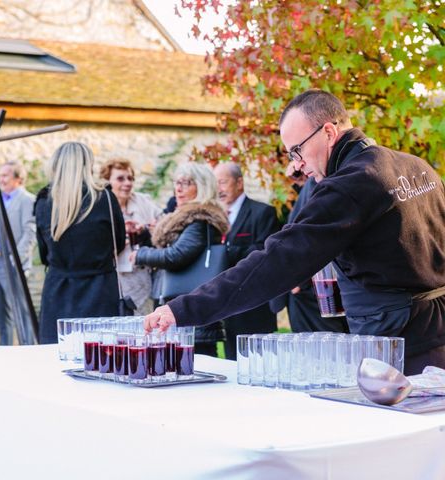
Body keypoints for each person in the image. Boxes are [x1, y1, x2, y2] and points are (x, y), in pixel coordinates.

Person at [144, 89, 445, 375]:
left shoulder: (350, 185)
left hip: (398, 345)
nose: (297, 167)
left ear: (328, 132)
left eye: (297, 151)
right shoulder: (416, 166)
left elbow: (277, 260)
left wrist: (184, 310)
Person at [132, 162, 229, 357]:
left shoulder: (200, 219)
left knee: (194, 365)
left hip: (192, 309)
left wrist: (141, 254)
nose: (178, 188)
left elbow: (177, 255)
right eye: (177, 182)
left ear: (201, 186)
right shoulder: (188, 218)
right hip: (186, 307)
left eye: (186, 183)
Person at [35, 142, 126, 344]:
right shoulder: (105, 199)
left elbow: (43, 253)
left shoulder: (44, 202)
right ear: (87, 165)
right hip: (100, 289)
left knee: (56, 357)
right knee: (103, 359)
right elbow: (118, 244)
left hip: (58, 290)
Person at [213, 162, 280, 359]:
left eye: (223, 182)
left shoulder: (263, 212)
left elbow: (263, 251)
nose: (219, 189)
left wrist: (225, 253)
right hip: (224, 300)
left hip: (253, 303)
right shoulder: (213, 215)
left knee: (257, 363)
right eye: (215, 183)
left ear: (239, 182)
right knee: (230, 362)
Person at [269, 171, 349, 333]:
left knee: (332, 350)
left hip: (322, 290)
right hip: (307, 292)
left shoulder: (333, 180)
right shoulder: (306, 186)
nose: (297, 165)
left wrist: (300, 279)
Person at [99, 158, 162, 315]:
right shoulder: (100, 205)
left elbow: (163, 226)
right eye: (120, 178)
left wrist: (145, 230)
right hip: (114, 276)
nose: (127, 183)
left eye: (130, 178)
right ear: (107, 181)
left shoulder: (142, 201)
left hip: (142, 276)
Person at [0, 162, 36, 346]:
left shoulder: (26, 200)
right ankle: (4, 350)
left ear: (18, 179)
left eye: (6, 175)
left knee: (20, 312)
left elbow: (30, 232)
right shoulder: (0, 199)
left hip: (11, 263)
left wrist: (15, 260)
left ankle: (28, 350)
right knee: (1, 314)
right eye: (1, 175)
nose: (1, 179)